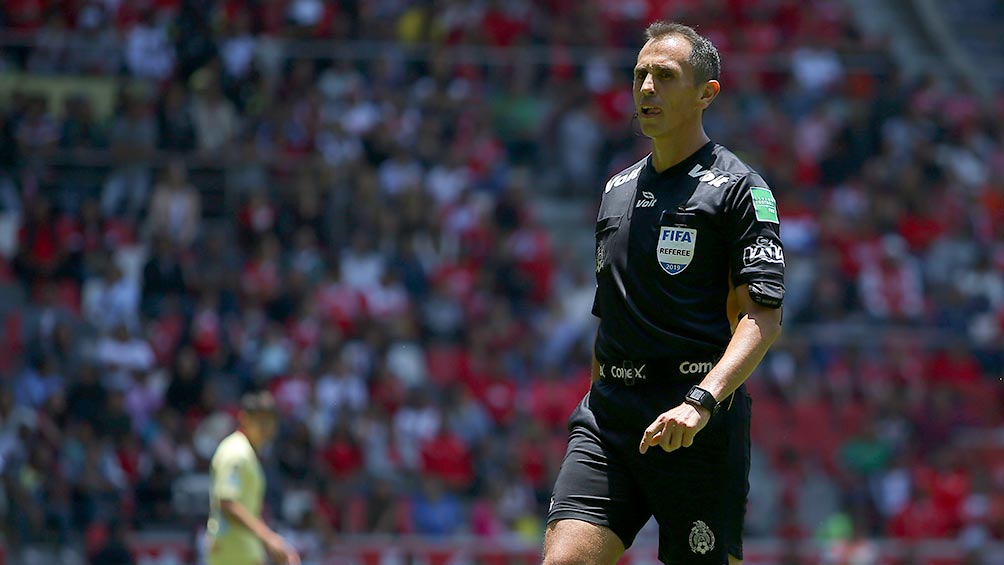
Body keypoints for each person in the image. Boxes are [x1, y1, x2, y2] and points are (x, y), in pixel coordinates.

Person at [543, 21, 785, 565]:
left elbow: (762, 319)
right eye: (640, 75)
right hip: (610, 421)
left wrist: (700, 403)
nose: (647, 87)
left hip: (696, 423)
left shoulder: (741, 190)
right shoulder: (615, 190)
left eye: (665, 75)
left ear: (707, 93)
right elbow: (609, 317)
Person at [205, 391, 301, 565]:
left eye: (270, 422)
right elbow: (227, 503)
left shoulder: (248, 453)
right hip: (232, 552)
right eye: (260, 420)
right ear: (244, 418)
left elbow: (247, 510)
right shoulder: (236, 453)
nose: (266, 428)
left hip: (243, 552)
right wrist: (269, 538)